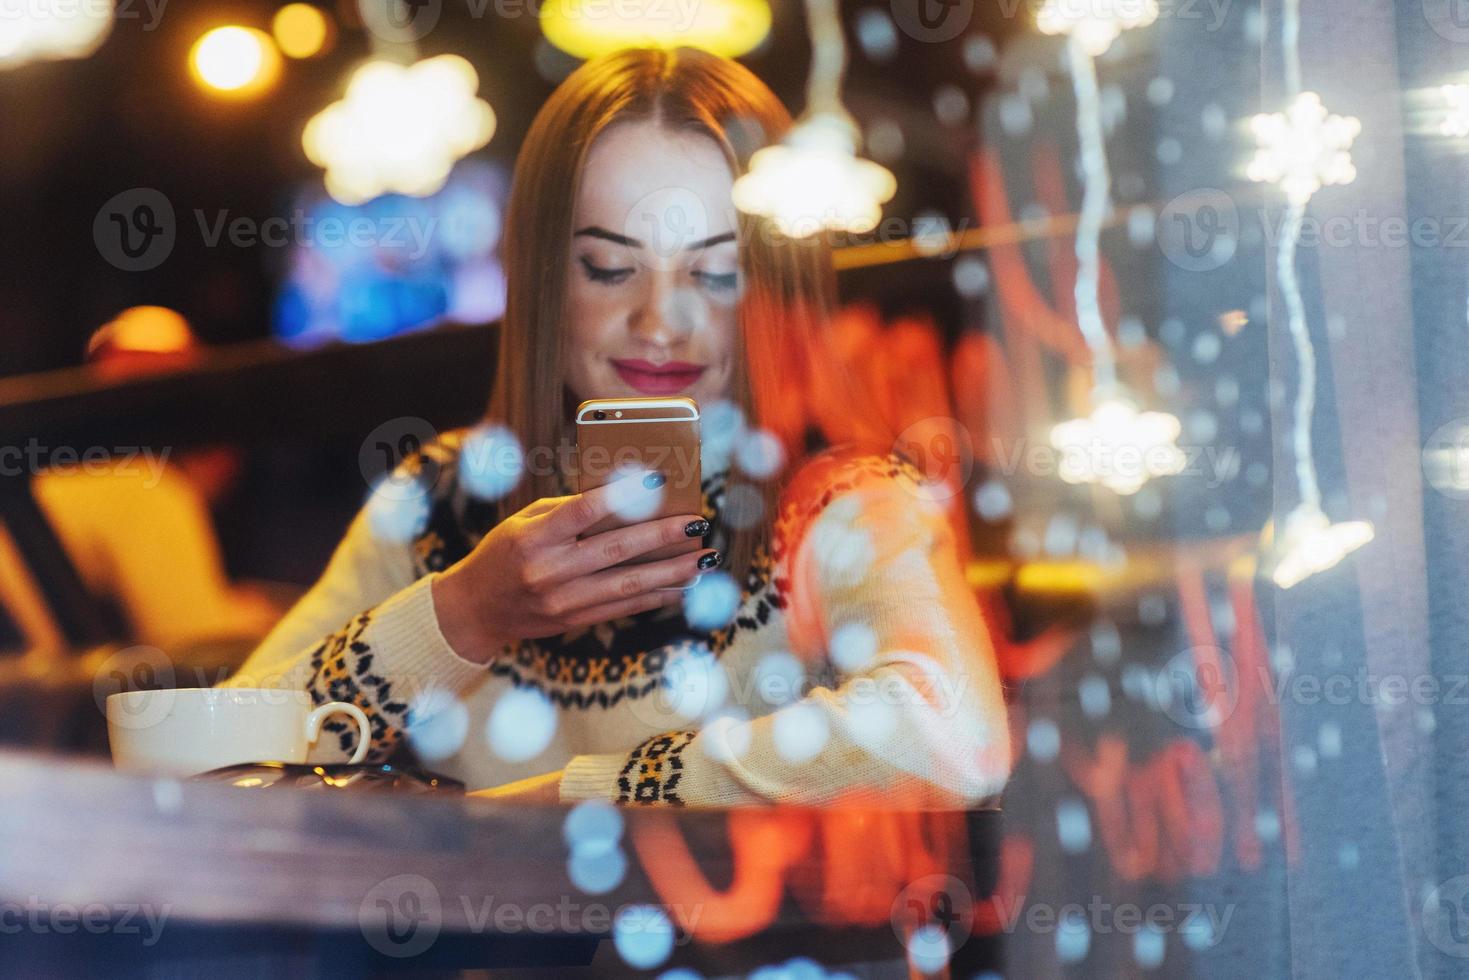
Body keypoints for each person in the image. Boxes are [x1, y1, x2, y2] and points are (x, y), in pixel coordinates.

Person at [226, 47, 1009, 807]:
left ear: (772, 279)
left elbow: (951, 739)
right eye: (608, 266)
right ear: (540, 279)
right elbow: (217, 760)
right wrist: (464, 613)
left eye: (715, 271)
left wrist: (583, 795)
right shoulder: (444, 498)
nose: (661, 319)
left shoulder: (838, 497)